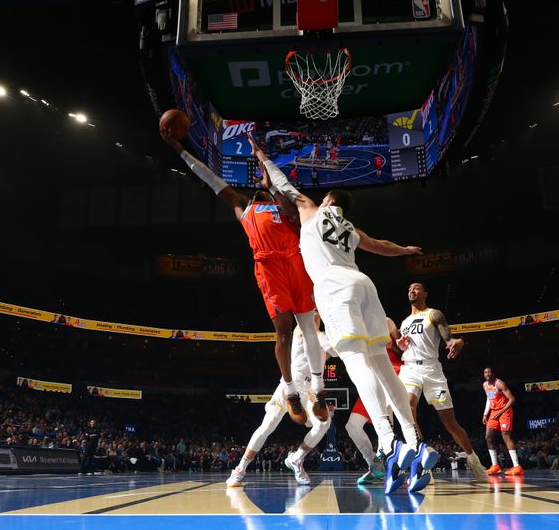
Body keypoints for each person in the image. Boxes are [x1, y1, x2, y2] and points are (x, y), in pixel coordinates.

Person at [254, 133, 437, 494]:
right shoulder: (351, 228)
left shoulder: (312, 210)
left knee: (357, 366)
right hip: (364, 284)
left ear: (327, 200)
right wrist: (405, 250)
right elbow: (381, 246)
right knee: (382, 366)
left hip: (334, 287)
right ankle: (414, 442)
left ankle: (387, 442)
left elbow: (283, 184)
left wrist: (262, 157)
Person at [161, 126, 326, 425]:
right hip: (269, 267)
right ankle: (290, 391)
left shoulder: (284, 205)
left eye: (264, 183)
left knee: (310, 329)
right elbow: (210, 179)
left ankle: (318, 390)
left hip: (296, 262)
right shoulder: (243, 207)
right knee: (284, 333)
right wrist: (178, 148)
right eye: (258, 184)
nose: (259, 185)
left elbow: (286, 193)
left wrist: (266, 169)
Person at [227, 315, 333, 487]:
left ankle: (297, 459)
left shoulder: (323, 338)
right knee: (267, 426)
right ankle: (241, 468)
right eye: (310, 310)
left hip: (309, 392)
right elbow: (329, 345)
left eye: (317, 312)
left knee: (324, 424)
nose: (313, 314)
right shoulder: (302, 329)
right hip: (288, 388)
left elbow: (332, 351)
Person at [397, 283, 486, 484]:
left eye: (417, 288)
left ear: (425, 294)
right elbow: (404, 346)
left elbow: (446, 335)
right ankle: (421, 460)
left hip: (432, 371)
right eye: (409, 288)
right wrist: (400, 346)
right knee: (408, 406)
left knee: (450, 423)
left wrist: (455, 341)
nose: (412, 290)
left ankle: (473, 459)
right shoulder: (404, 322)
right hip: (410, 369)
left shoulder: (433, 314)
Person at [345, 318, 402, 486]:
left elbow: (404, 351)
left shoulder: (386, 322)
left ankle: (392, 464)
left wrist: (392, 346)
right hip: (370, 378)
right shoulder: (353, 326)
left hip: (391, 373)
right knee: (352, 426)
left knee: (384, 422)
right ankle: (375, 467)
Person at [483, 367, 523, 475]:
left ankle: (517, 466)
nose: (488, 374)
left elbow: (512, 400)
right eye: (486, 372)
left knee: (506, 436)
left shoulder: (499, 383)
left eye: (490, 372)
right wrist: (485, 413)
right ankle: (495, 465)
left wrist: (501, 412)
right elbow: (489, 399)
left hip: (505, 411)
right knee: (488, 437)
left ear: (493, 374)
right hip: (494, 411)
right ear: (484, 375)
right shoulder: (485, 385)